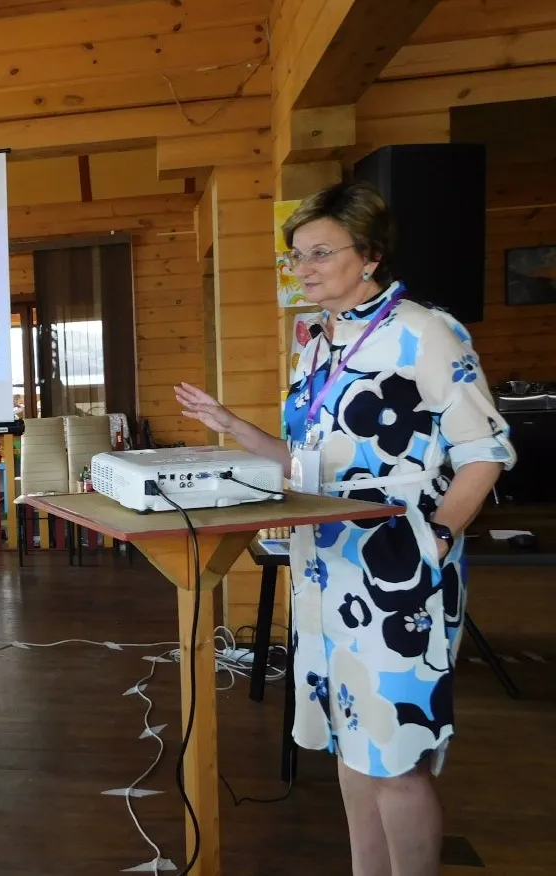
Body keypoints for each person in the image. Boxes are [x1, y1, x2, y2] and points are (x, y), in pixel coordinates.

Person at [175, 181, 515, 876]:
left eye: (320, 252)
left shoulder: (425, 331)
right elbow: (303, 459)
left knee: (396, 756)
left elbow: (486, 451)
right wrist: (233, 427)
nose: (302, 268)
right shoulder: (315, 343)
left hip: (398, 567)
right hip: (326, 566)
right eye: (295, 255)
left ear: (370, 255)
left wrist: (436, 539)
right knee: (352, 744)